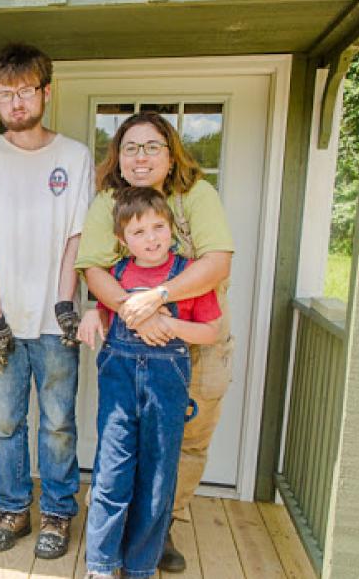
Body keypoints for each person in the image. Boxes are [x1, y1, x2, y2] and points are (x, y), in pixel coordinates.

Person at [74, 111, 235, 572]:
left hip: (193, 333)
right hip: (132, 338)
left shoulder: (196, 196)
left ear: (170, 154)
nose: (140, 157)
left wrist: (159, 301)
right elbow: (95, 268)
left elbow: (217, 261)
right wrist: (133, 311)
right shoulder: (109, 201)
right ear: (118, 159)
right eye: (130, 148)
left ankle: (161, 530)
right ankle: (111, 547)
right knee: (118, 452)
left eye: (152, 147)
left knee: (184, 443)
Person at [0, 43, 91, 558]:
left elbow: (77, 236)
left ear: (45, 92)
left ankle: (57, 512)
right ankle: (13, 509)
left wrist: (63, 303)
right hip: (4, 320)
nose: (15, 102)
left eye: (25, 90)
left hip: (57, 322)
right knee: (7, 421)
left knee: (57, 422)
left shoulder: (73, 158)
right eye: (5, 93)